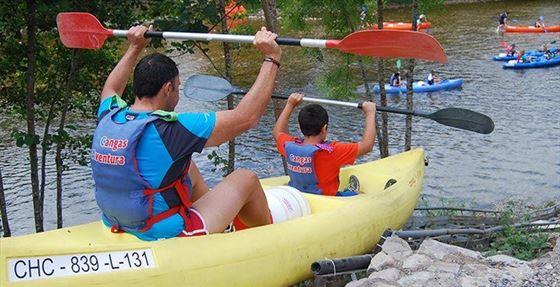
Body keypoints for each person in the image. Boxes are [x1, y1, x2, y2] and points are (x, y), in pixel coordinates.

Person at [91, 25, 282, 241]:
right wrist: (271, 57)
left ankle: (224, 226)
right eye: (178, 87)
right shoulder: (172, 130)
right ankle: (268, 241)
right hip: (164, 230)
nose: (178, 93)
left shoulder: (110, 114)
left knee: (186, 165)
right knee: (246, 178)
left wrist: (134, 47)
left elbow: (111, 88)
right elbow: (247, 117)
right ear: (167, 88)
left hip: (116, 221)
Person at [272, 93, 376, 197]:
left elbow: (278, 132)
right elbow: (367, 145)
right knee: (359, 194)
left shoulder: (289, 145)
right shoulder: (332, 150)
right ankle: (353, 191)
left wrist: (290, 105)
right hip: (328, 200)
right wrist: (370, 113)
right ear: (324, 128)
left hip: (300, 197)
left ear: (300, 127)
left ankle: (350, 190)